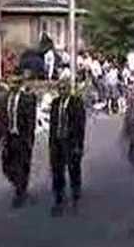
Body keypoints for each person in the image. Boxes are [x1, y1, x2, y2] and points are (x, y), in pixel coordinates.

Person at [49, 81, 86, 217]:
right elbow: (52, 125)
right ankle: (59, 197)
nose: (61, 91)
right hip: (57, 141)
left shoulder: (76, 103)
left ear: (69, 90)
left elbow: (80, 126)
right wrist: (51, 143)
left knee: (73, 168)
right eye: (59, 89)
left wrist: (79, 145)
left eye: (64, 88)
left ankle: (75, 193)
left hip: (70, 142)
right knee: (57, 170)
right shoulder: (55, 103)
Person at [0, 75, 37, 208]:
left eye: (16, 83)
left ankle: (20, 192)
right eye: (11, 82)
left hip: (21, 137)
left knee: (22, 164)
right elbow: (2, 120)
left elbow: (31, 120)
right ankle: (18, 184)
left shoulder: (27, 99)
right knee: (6, 166)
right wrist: (0, 137)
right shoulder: (5, 98)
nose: (13, 85)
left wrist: (30, 139)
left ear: (20, 84)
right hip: (9, 136)